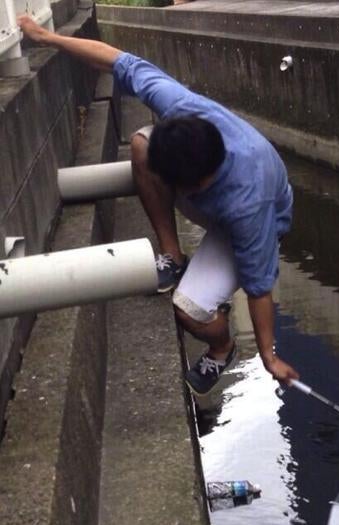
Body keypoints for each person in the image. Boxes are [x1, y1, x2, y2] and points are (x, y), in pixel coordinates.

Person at [18, 16, 299, 394]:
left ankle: (222, 346)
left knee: (189, 312)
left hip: (246, 220)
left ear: (193, 183)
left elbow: (260, 288)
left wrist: (269, 355)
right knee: (140, 144)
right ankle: (173, 254)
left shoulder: (251, 204)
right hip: (213, 192)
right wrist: (46, 37)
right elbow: (118, 60)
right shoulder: (183, 108)